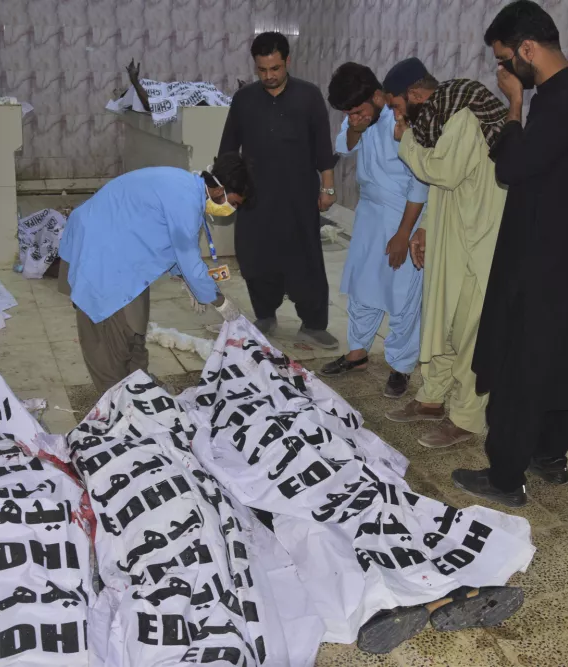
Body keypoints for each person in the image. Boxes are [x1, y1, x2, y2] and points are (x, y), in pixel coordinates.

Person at [453, 1, 568, 507]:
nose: (503, 71)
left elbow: (512, 167)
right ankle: (550, 456)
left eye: (505, 60)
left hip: (537, 258)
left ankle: (504, 477)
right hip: (566, 255)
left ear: (527, 49)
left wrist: (514, 104)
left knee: (522, 363)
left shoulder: (560, 102)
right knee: (557, 356)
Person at [383, 58, 509, 449]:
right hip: (452, 236)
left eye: (398, 107)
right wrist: (425, 229)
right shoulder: (444, 117)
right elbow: (448, 187)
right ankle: (432, 398)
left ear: (416, 95)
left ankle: (467, 419)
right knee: (439, 319)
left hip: (480, 243)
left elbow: (443, 172)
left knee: (470, 329)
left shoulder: (465, 119)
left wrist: (404, 140)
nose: (398, 117)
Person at [57, 154, 249, 392]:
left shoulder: (188, 187)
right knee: (109, 337)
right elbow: (188, 257)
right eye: (235, 202)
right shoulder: (185, 198)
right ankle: (115, 399)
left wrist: (184, 278)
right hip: (101, 253)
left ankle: (140, 385)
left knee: (135, 327)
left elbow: (169, 241)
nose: (232, 209)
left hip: (119, 247)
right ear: (220, 190)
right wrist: (220, 302)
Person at [218, 31, 340, 349]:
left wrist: (328, 188)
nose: (269, 76)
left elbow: (323, 149)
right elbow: (229, 149)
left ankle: (313, 323)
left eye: (275, 68)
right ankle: (266, 314)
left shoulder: (309, 96)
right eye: (262, 70)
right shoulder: (244, 100)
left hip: (299, 196)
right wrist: (228, 190)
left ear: (287, 61)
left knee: (306, 259)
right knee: (256, 257)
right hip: (255, 197)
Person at [320, 62, 427, 399]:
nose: (354, 114)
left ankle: (401, 365)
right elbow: (343, 146)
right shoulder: (360, 116)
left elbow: (420, 182)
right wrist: (356, 127)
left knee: (402, 292)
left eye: (358, 109)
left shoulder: (405, 118)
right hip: (369, 212)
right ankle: (358, 353)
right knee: (363, 285)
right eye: (349, 112)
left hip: (404, 215)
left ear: (378, 95)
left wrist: (403, 234)